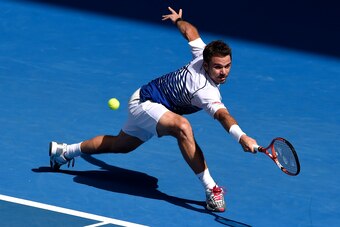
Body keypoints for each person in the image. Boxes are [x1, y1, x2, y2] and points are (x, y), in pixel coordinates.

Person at [49, 7, 257, 212]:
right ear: (205, 64)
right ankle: (212, 188)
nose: (223, 72)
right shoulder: (206, 92)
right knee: (183, 127)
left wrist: (177, 20)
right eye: (218, 67)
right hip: (146, 103)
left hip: (150, 104)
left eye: (227, 66)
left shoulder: (201, 55)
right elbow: (223, 115)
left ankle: (65, 151)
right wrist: (242, 137)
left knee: (121, 145)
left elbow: (190, 32)